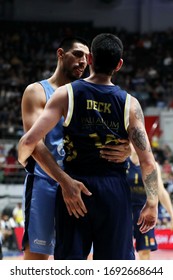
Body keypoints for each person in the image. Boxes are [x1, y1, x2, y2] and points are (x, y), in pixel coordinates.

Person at [18, 33, 159, 260]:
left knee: (68, 264)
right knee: (114, 267)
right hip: (106, 186)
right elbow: (148, 161)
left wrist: (22, 156)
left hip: (75, 183)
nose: (82, 61)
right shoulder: (130, 103)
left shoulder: (66, 94)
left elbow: (28, 141)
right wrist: (152, 203)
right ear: (120, 64)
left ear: (91, 59)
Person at [127, 143, 173, 260]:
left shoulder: (152, 165)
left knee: (144, 251)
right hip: (124, 212)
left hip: (144, 212)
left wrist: (172, 214)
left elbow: (161, 192)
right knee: (122, 252)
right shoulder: (122, 163)